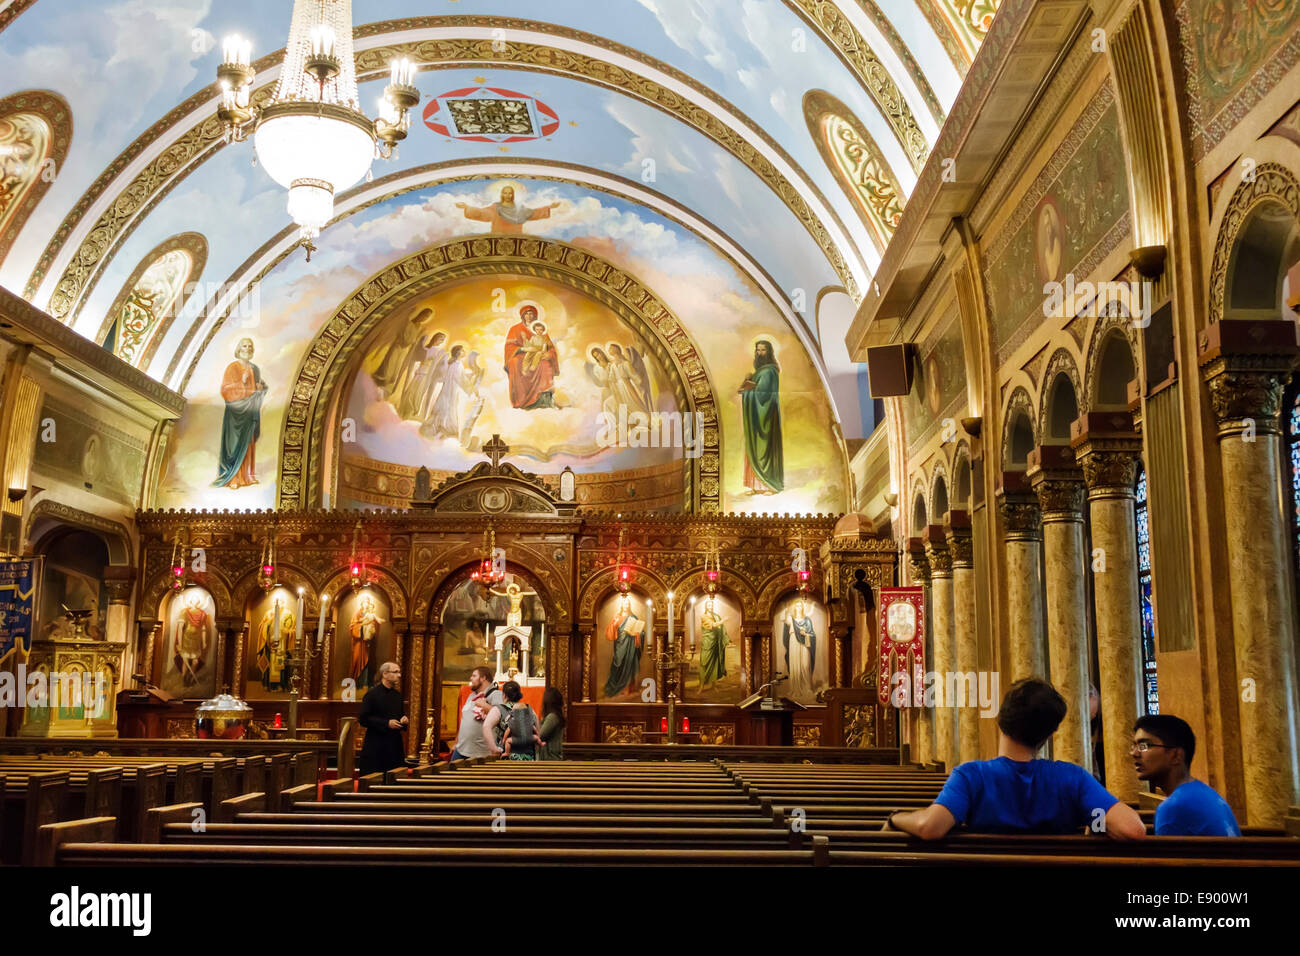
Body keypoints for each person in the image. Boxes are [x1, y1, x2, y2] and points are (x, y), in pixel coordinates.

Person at [883, 678, 1146, 840]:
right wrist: (1094, 819)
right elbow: (1132, 829)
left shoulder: (971, 776)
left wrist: (896, 817)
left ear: (1000, 718)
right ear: (1050, 734)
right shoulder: (1072, 778)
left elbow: (931, 827)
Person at [1132, 715, 1240, 836]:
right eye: (1134, 746)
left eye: (1144, 746)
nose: (1134, 753)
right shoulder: (1203, 791)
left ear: (1176, 755)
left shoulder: (1174, 807)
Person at [213, 337, 269, 489]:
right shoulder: (232, 367)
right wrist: (241, 382)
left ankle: (247, 476)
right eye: (244, 346)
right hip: (235, 412)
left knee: (248, 442)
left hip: (250, 411)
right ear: (239, 349)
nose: (247, 349)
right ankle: (233, 478)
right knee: (234, 444)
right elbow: (225, 390)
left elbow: (260, 388)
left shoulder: (255, 369)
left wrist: (260, 388)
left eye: (250, 346)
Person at [738, 339, 783, 494]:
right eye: (757, 350)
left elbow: (764, 395)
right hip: (756, 416)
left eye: (763, 350)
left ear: (769, 352)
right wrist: (747, 383)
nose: (759, 353)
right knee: (753, 447)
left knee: (765, 449)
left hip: (766, 416)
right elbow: (755, 389)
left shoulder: (770, 371)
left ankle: (770, 485)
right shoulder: (759, 372)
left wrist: (748, 389)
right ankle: (755, 486)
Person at [358, 662, 407, 776]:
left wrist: (404, 721)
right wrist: (386, 723)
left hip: (394, 745)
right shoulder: (372, 695)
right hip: (376, 745)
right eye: (396, 672)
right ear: (385, 674)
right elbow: (363, 719)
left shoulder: (398, 696)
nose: (399, 675)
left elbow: (400, 716)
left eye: (399, 672)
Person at [449, 665, 502, 761]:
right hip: (461, 748)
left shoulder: (496, 694)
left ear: (483, 678)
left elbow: (503, 714)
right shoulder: (471, 695)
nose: (471, 678)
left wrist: (484, 705)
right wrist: (456, 743)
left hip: (480, 752)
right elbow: (465, 720)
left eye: (474, 676)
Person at [483, 680, 540, 760]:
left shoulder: (498, 709)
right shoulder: (530, 709)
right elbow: (537, 732)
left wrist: (494, 748)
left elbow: (486, 726)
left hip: (507, 758)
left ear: (504, 695)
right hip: (528, 758)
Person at [539, 687, 565, 761]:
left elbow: (541, 734)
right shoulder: (554, 715)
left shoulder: (552, 717)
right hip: (550, 756)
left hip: (550, 757)